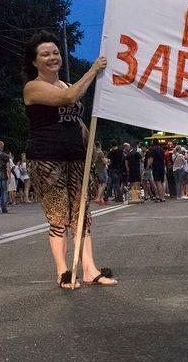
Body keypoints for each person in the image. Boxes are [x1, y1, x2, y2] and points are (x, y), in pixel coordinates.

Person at [22, 30, 117, 289]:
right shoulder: (33, 87)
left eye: (55, 52)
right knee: (59, 216)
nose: (53, 57)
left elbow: (76, 119)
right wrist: (93, 70)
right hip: (46, 159)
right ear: (34, 61)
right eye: (45, 54)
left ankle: (89, 269)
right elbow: (68, 99)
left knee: (82, 215)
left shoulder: (65, 83)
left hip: (76, 157)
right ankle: (63, 271)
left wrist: (94, 150)